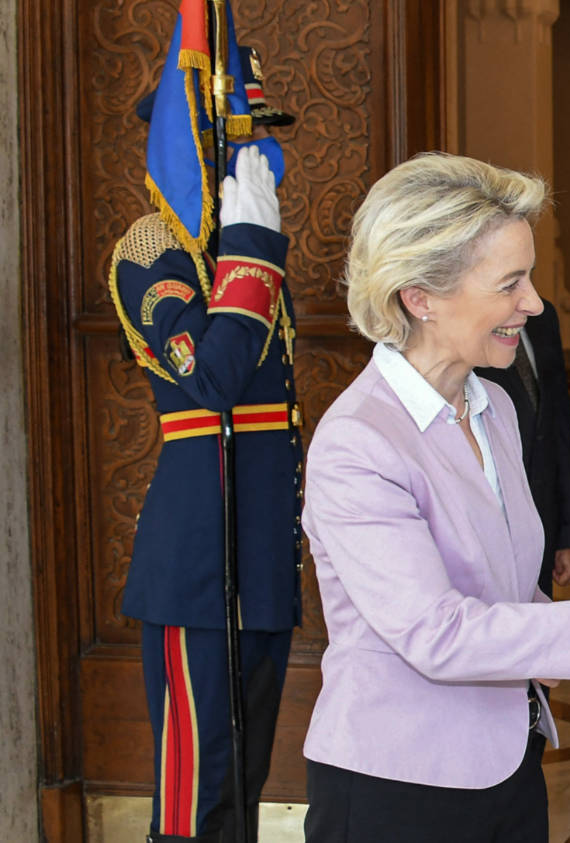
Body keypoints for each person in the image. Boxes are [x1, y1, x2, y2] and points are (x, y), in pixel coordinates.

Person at [299, 153, 570, 842]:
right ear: (420, 296)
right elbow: (436, 633)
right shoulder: (359, 443)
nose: (533, 304)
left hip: (508, 760)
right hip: (399, 785)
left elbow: (506, 589)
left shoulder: (492, 402)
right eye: (510, 283)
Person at [111, 46, 299, 843]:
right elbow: (214, 379)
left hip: (257, 564)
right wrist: (252, 246)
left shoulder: (237, 250)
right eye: (234, 131)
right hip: (199, 568)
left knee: (242, 789)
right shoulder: (152, 252)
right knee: (197, 800)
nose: (254, 147)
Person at [476, 297, 570, 595]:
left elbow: (558, 426)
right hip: (489, 531)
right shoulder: (466, 322)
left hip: (542, 523)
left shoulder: (542, 316)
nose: (532, 300)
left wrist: (568, 535)